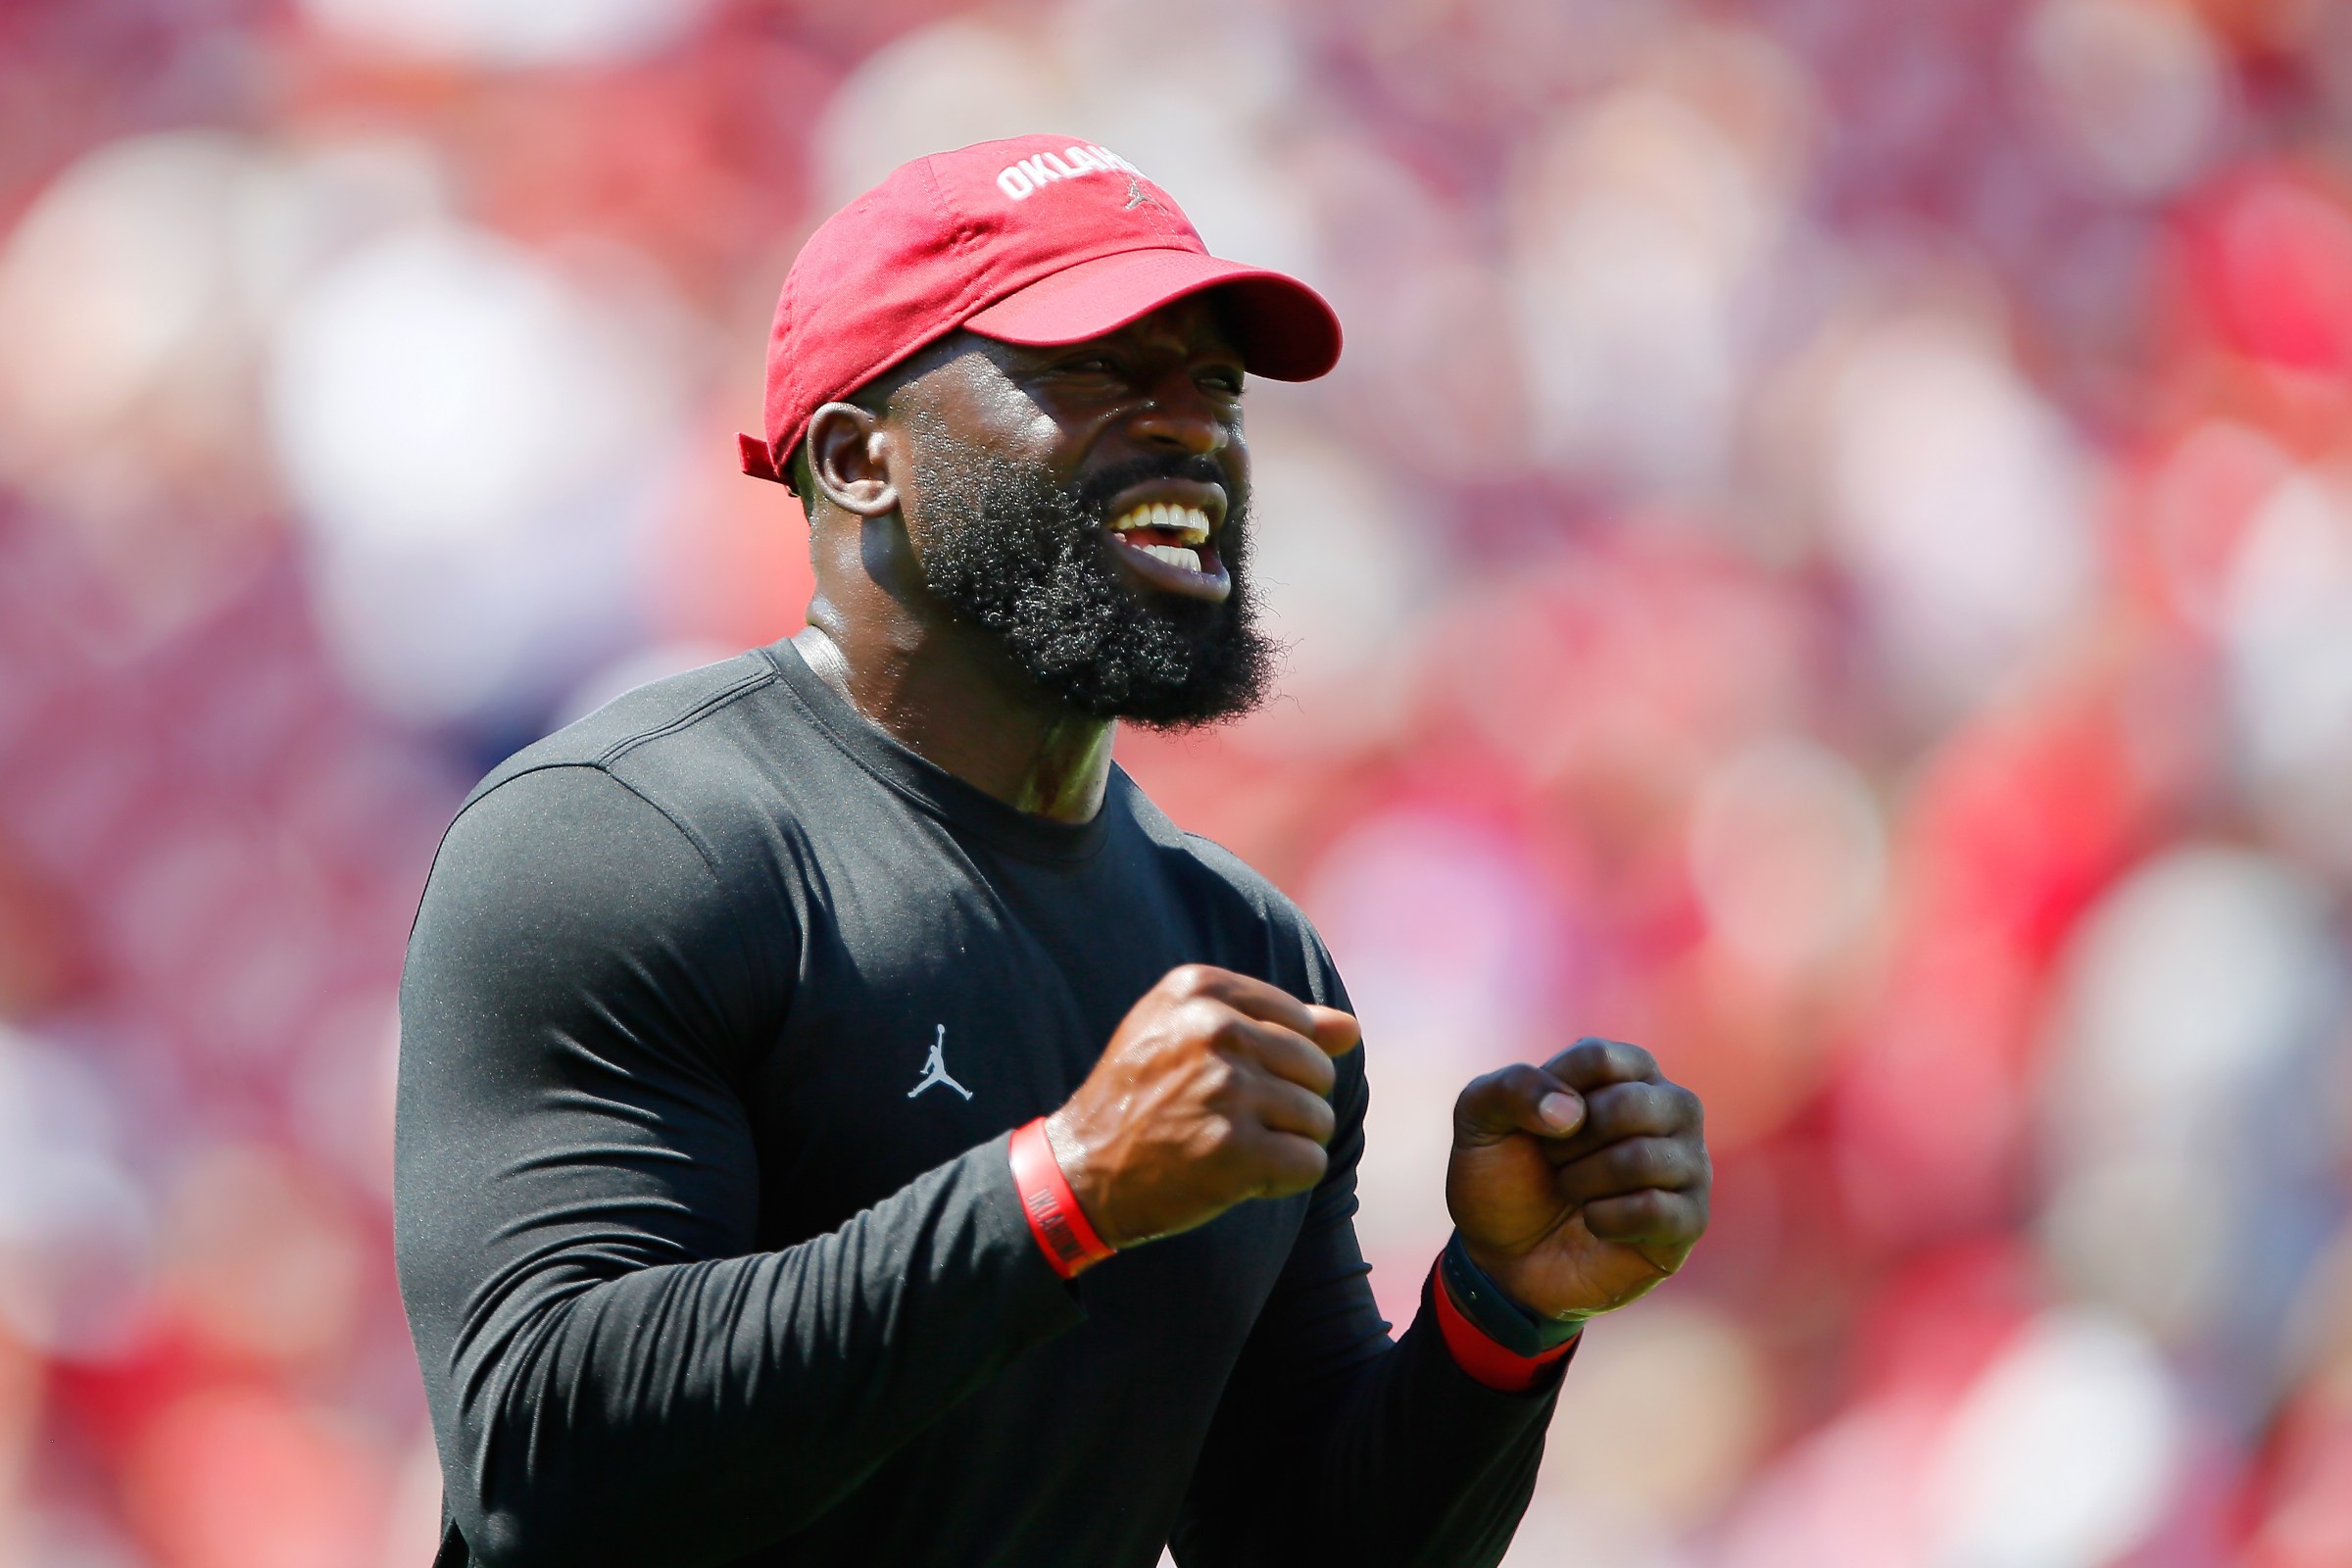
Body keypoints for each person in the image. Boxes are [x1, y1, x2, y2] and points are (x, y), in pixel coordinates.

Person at [395, 134, 1711, 1568]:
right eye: (1093, 367)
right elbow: (543, 1463)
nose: (1192, 426)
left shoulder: (1243, 947)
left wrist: (1505, 1313)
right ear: (858, 456)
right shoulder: (629, 834)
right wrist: (1060, 1193)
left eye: (1215, 382)